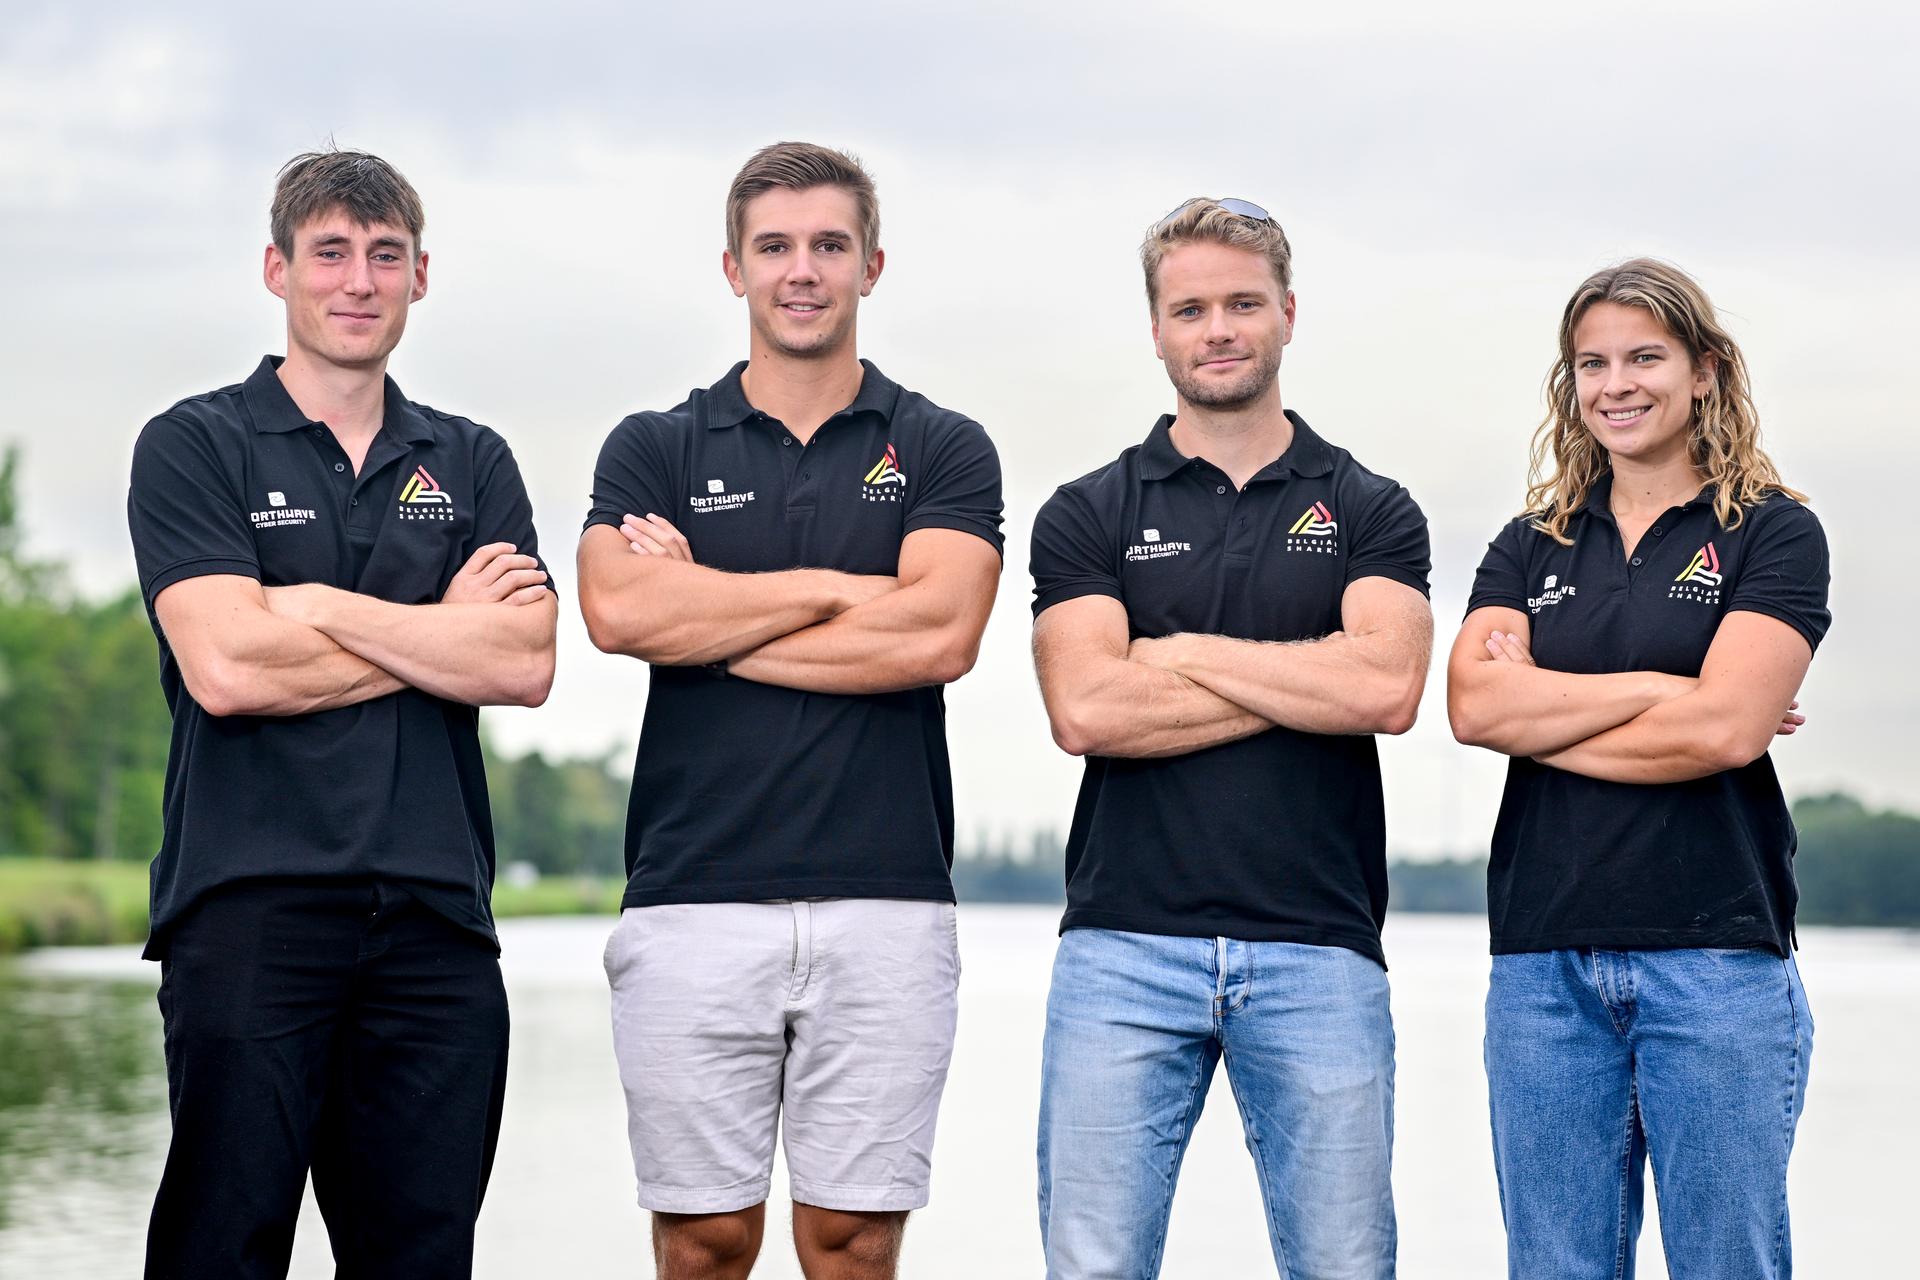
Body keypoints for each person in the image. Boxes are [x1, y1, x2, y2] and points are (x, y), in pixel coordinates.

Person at [125, 148, 557, 1279]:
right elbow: (226, 667)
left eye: (385, 255)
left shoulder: (471, 459)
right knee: (223, 1248)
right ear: (278, 270)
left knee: (421, 1257)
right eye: (331, 253)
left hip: (436, 924)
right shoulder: (195, 443)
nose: (358, 280)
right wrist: (430, 633)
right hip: (249, 910)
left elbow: (520, 660)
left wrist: (310, 606)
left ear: (421, 276)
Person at [577, 141, 1003, 1280]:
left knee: (854, 1243)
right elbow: (618, 612)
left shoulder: (944, 445)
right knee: (705, 1242)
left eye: (828, 244)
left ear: (872, 263)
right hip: (691, 897)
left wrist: (709, 611)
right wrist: (835, 591)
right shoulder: (656, 446)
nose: (801, 270)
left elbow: (940, 634)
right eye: (775, 246)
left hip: (888, 898)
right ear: (733, 268)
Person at [1027, 197, 1433, 1279]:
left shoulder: (1371, 507)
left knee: (1344, 1265)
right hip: (1122, 944)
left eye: (1243, 302)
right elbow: (1087, 710)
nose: (1219, 327)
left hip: (1320, 946)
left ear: (1289, 313)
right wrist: (1308, 673)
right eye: (1191, 307)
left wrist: (1175, 652)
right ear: (1156, 328)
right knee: (1095, 1265)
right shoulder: (1088, 510)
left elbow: (1388, 687)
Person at [1447, 258, 1829, 1280]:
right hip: (1541, 962)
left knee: (1725, 1264)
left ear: (1704, 371)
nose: (1616, 383)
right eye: (1592, 363)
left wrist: (1555, 712)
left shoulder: (1772, 532)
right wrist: (1670, 686)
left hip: (1717, 960)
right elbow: (1475, 706)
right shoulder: (1529, 544)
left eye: (1645, 357)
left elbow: (1724, 737)